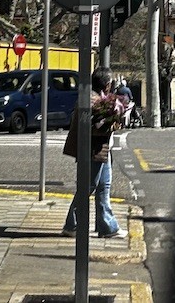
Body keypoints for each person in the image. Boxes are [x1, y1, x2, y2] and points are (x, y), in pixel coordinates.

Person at [62, 67, 126, 239]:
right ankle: (72, 224)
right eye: (111, 84)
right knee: (88, 187)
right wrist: (111, 124)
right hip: (93, 151)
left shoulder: (97, 98)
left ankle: (107, 227)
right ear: (106, 85)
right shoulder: (92, 100)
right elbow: (90, 127)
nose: (112, 87)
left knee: (103, 188)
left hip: (102, 150)